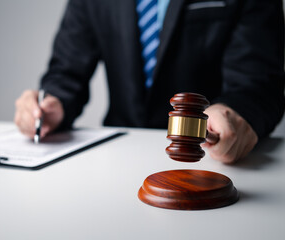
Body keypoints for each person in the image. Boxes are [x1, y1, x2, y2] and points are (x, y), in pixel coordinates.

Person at [14, 0, 285, 164]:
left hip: (210, 159)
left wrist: (235, 113)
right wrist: (52, 105)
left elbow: (259, 82)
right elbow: (65, 71)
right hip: (117, 157)